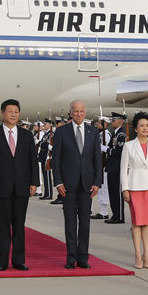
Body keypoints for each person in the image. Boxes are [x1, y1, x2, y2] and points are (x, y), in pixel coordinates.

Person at [0, 99, 39, 271]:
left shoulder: (27, 135)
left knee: (19, 225)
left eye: (16, 111)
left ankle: (19, 260)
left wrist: (35, 182)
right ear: (2, 113)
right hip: (1, 186)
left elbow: (33, 160)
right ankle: (3, 260)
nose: (14, 114)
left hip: (22, 186)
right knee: (3, 225)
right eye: (10, 111)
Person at [51, 100, 102, 269]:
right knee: (70, 223)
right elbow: (56, 160)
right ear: (71, 113)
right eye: (76, 111)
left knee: (85, 223)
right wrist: (58, 182)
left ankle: (83, 258)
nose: (79, 114)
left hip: (87, 185)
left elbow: (97, 159)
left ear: (85, 112)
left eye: (81, 111)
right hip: (67, 185)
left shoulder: (93, 132)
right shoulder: (61, 132)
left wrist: (97, 182)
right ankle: (71, 257)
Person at [119, 111, 148, 269]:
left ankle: (147, 254)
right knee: (136, 223)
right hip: (135, 187)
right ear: (136, 128)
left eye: (147, 125)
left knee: (147, 223)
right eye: (142, 126)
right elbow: (123, 169)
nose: (145, 128)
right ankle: (137, 255)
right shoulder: (128, 146)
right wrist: (125, 189)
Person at [104, 113, 127, 223]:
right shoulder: (115, 133)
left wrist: (107, 150)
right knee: (112, 193)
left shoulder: (121, 135)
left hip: (117, 168)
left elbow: (119, 151)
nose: (112, 122)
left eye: (113, 120)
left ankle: (120, 217)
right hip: (112, 167)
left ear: (120, 121)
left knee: (117, 194)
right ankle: (115, 215)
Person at [92, 117, 112, 219]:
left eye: (100, 122)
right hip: (99, 163)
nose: (98, 124)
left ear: (105, 124)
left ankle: (104, 212)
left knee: (103, 188)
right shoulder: (100, 134)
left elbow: (106, 149)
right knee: (100, 188)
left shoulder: (107, 135)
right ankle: (101, 211)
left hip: (104, 164)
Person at [37, 121, 53, 200]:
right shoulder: (46, 134)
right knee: (45, 176)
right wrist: (41, 143)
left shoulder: (51, 134)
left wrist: (41, 143)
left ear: (50, 125)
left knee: (47, 176)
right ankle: (46, 193)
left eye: (46, 124)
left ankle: (49, 194)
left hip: (47, 157)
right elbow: (42, 143)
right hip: (43, 157)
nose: (44, 125)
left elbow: (49, 145)